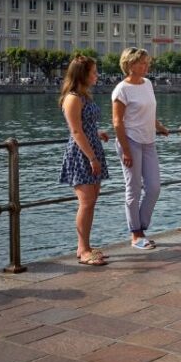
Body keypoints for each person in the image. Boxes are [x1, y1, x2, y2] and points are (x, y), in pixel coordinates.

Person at [112, 48, 169, 251]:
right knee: (134, 189)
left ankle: (141, 227)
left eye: (147, 62)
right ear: (129, 65)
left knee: (154, 187)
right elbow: (117, 122)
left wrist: (159, 127)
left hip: (149, 141)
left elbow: (149, 111)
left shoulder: (148, 84)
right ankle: (136, 234)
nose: (147, 66)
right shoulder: (121, 90)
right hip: (130, 141)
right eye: (142, 63)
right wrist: (126, 150)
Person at [59, 56, 110, 267]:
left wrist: (96, 133)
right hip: (82, 155)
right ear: (82, 74)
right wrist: (91, 158)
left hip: (91, 149)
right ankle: (83, 248)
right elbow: (76, 131)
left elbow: (84, 126)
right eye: (93, 72)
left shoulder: (84, 96)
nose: (96, 75)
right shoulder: (73, 98)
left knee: (91, 203)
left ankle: (85, 246)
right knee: (86, 203)